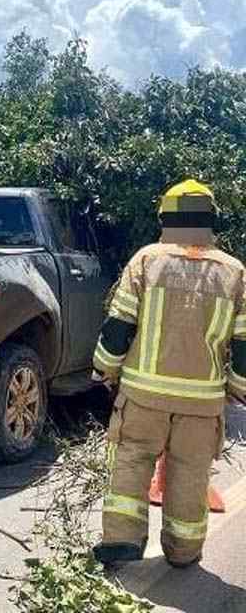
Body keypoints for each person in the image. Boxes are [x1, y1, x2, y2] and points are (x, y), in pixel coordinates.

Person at [91, 179, 246, 568]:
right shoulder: (235, 273)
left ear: (166, 217)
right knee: (190, 475)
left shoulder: (146, 260)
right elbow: (244, 347)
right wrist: (237, 390)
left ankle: (123, 541)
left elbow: (119, 325)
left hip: (143, 397)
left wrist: (104, 368)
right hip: (201, 404)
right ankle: (183, 551)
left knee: (131, 462)